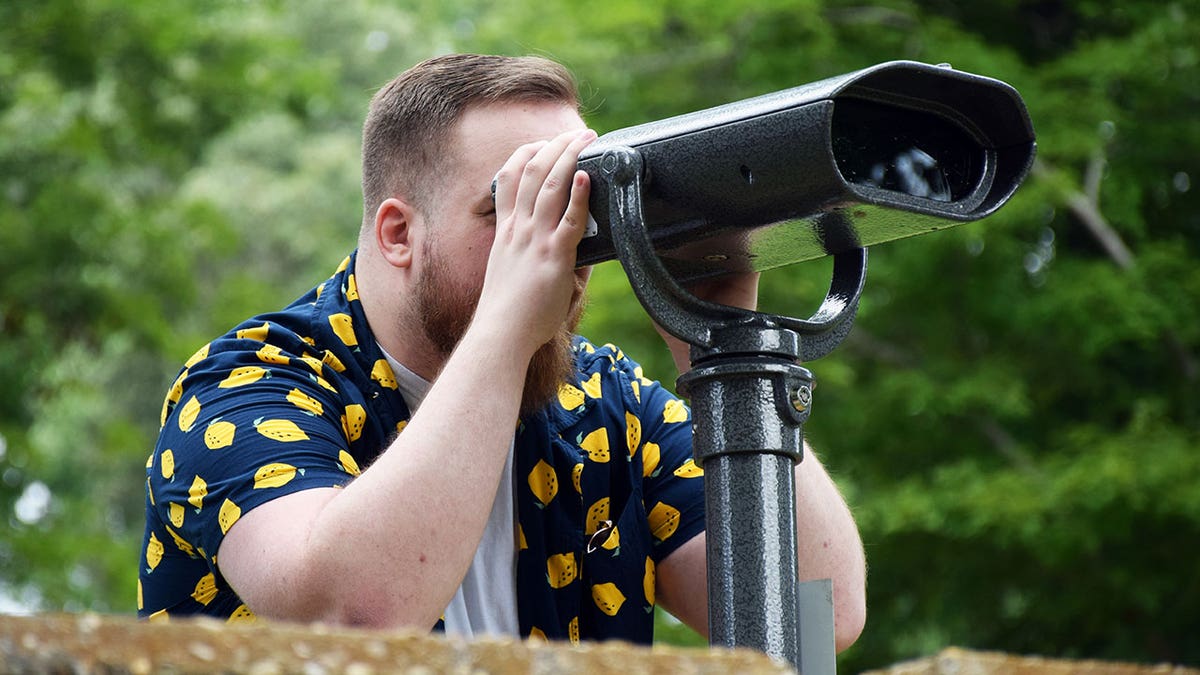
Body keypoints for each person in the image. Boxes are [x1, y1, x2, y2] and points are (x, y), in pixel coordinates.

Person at [139, 53, 866, 649]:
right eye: (515, 207)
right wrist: (506, 323)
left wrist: (720, 345)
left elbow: (814, 624)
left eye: (577, 207)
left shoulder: (604, 403)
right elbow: (356, 617)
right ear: (398, 234)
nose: (560, 243)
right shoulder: (245, 386)